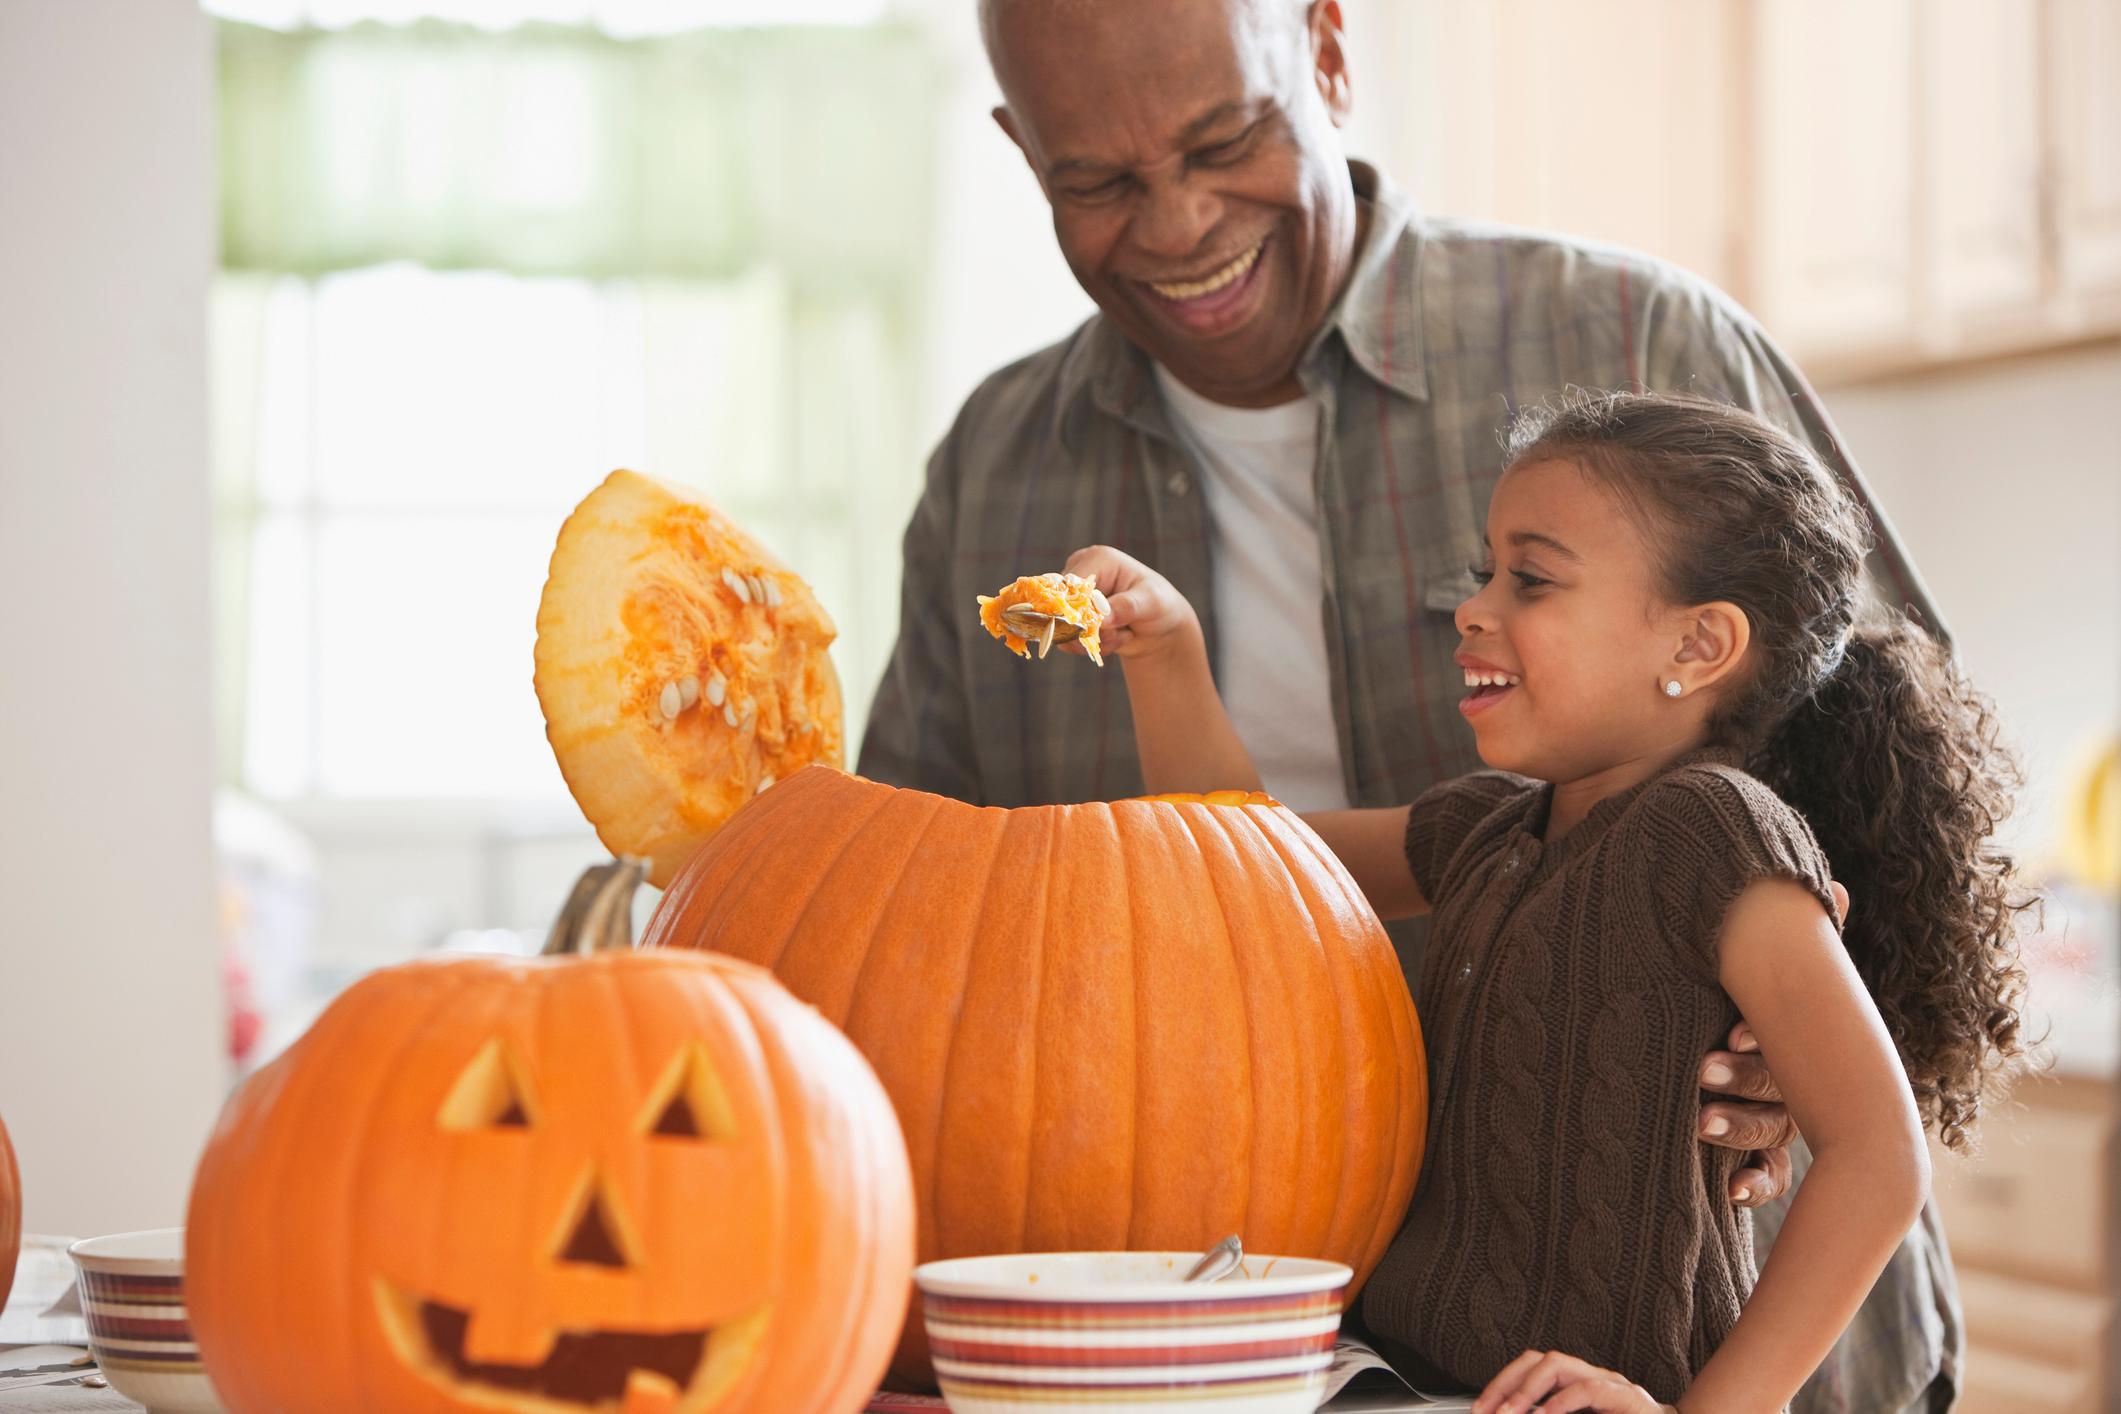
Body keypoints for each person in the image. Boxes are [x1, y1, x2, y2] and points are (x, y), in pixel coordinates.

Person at [857, 0, 1960, 1404]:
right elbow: (1203, 862)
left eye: (1225, 139)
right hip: (1332, 1354)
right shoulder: (993, 472)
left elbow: (1908, 797)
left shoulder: (1637, 336)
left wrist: (1789, 1040)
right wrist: (1165, 656)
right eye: (1098, 181)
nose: (1182, 221)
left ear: (1325, 52)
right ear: (1022, 153)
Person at [1052, 390, 2027, 1412]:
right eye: (1486, 573)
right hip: (1405, 1377)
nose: (1475, 607)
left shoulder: (1713, 832)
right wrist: (1167, 653)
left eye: (1532, 580)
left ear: (1697, 647)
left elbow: (1877, 1157)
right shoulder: (1483, 829)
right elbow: (1237, 861)